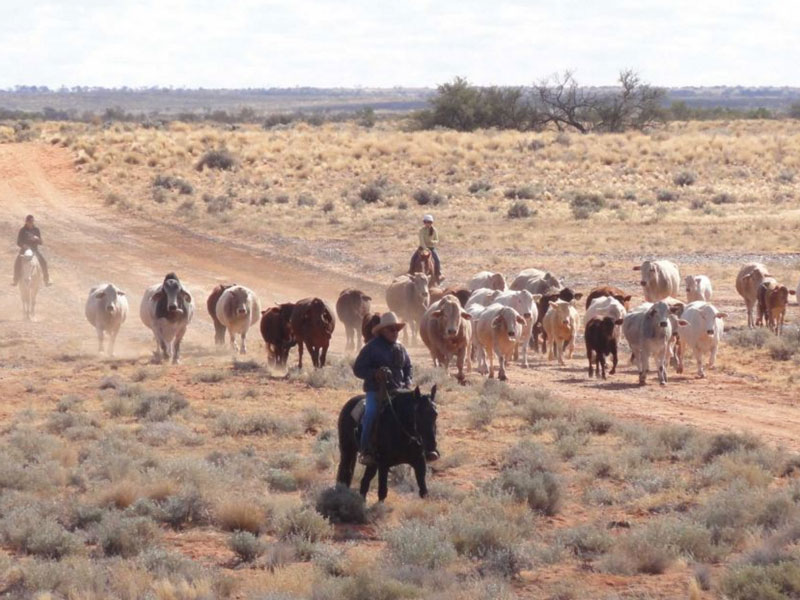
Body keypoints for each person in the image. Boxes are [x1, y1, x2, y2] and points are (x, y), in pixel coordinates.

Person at [352, 311, 412, 466]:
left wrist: (408, 381)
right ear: (382, 331)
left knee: (418, 412)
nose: (395, 333)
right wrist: (374, 374)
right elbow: (358, 369)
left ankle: (420, 448)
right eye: (391, 329)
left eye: (396, 330)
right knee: (371, 413)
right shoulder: (371, 348)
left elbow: (408, 367)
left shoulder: (401, 347)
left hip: (399, 390)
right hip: (376, 391)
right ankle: (365, 450)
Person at [13, 215, 51, 286]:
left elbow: (41, 242)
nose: (31, 223)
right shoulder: (22, 230)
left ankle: (46, 280)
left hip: (34, 250)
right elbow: (18, 242)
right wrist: (24, 245)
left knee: (43, 262)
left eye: (32, 222)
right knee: (17, 262)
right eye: (30, 222)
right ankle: (16, 280)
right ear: (26, 222)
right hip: (24, 250)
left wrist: (37, 239)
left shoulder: (36, 230)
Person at [417, 214, 443, 282]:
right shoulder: (421, 230)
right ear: (424, 222)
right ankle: (410, 271)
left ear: (431, 223)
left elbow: (437, 240)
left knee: (437, 260)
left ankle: (438, 274)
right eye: (426, 222)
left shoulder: (434, 230)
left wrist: (433, 242)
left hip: (431, 248)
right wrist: (425, 248)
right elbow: (421, 240)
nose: (427, 224)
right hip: (422, 248)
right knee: (414, 258)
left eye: (429, 222)